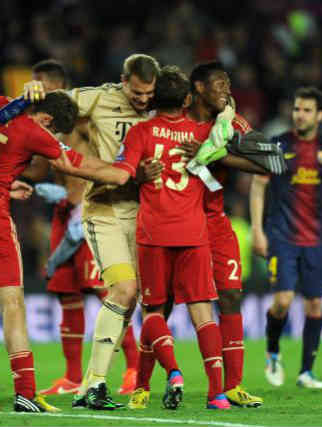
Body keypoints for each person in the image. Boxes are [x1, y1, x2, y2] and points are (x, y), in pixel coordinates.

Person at [0, 90, 132, 412]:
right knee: (13, 304)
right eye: (54, 132)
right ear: (47, 121)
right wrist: (123, 171)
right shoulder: (33, 130)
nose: (52, 138)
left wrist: (4, 182)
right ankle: (25, 393)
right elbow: (75, 164)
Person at [76, 65, 232, 409]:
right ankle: (217, 393)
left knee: (153, 312)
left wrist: (81, 167)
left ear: (153, 99)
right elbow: (226, 133)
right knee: (203, 313)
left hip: (153, 234)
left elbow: (123, 173)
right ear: (189, 99)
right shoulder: (202, 133)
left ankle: (173, 371)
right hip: (193, 233)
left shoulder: (140, 133)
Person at [24, 53, 160, 410]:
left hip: (149, 213)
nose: (143, 100)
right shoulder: (98, 97)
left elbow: (206, 107)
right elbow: (53, 107)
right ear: (122, 80)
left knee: (137, 299)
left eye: (149, 94)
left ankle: (97, 383)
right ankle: (94, 383)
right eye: (137, 92)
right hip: (106, 210)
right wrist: (30, 96)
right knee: (121, 290)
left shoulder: (161, 103)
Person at [129, 61, 265, 410]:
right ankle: (142, 384)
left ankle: (231, 386)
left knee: (230, 297)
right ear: (197, 89)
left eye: (229, 82)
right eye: (220, 83)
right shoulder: (182, 119)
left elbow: (266, 163)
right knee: (162, 305)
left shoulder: (230, 124)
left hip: (213, 223)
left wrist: (213, 155)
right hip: (180, 220)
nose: (227, 90)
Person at [250, 86, 322, 389]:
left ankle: (305, 372)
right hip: (282, 236)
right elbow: (259, 187)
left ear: (320, 115)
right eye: (297, 109)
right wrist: (257, 230)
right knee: (283, 301)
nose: (299, 114)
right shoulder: (277, 145)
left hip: (315, 238)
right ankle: (273, 351)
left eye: (307, 110)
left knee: (315, 306)